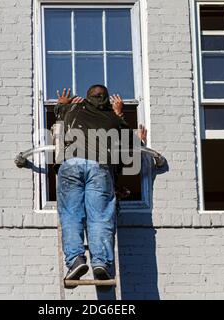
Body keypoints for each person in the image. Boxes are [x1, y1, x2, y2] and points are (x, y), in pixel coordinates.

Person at [53, 85, 146, 289]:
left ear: (86, 98)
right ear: (105, 100)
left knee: (71, 215)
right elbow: (129, 141)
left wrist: (62, 104)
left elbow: (58, 116)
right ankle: (101, 263)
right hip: (99, 167)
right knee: (100, 217)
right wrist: (120, 113)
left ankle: (76, 260)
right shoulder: (111, 119)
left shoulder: (72, 110)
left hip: (70, 165)